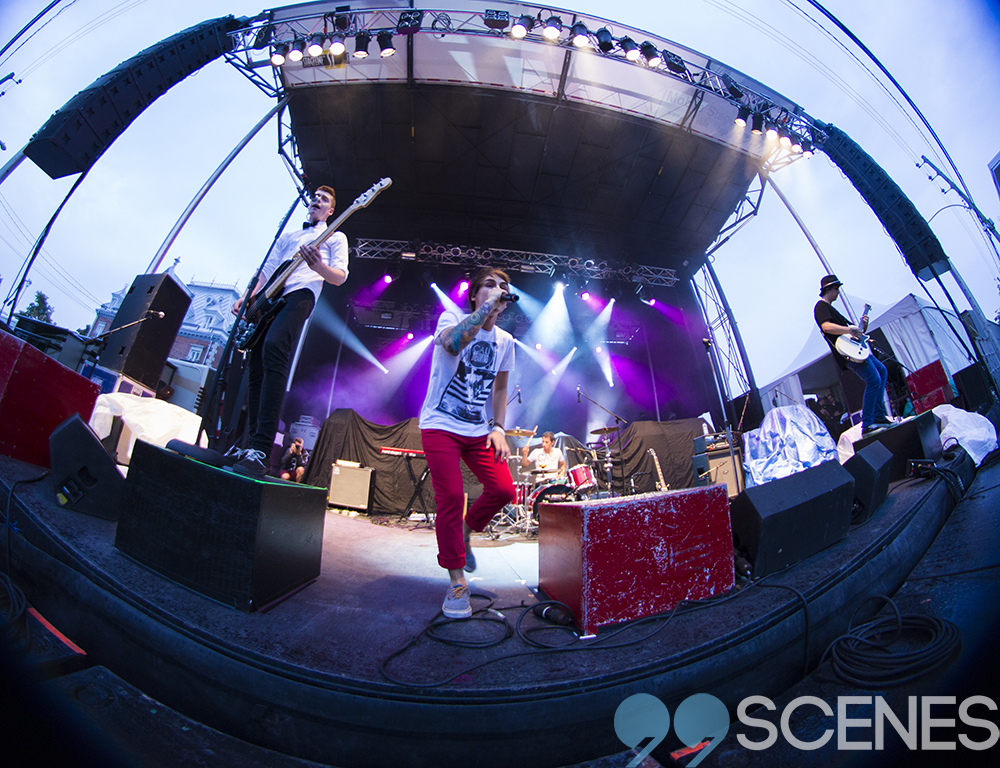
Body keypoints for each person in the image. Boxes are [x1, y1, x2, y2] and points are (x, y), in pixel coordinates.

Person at [418, 267, 517, 619]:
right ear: (474, 295)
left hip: (477, 429)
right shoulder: (451, 317)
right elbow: (453, 343)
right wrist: (485, 309)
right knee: (450, 497)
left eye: (503, 286)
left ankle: (466, 529)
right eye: (489, 285)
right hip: (440, 423)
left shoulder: (505, 341)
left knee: (504, 490)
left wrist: (499, 427)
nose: (498, 289)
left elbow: (500, 389)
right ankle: (457, 581)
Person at [230, 186, 349, 477]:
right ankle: (250, 446)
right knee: (256, 365)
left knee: (274, 347)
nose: (317, 200)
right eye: (315, 197)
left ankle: (262, 448)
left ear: (331, 211)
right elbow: (266, 270)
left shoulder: (335, 236)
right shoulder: (288, 236)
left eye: (324, 199)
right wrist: (247, 296)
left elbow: (339, 277)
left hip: (302, 293)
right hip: (269, 297)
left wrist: (318, 266)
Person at [814, 274, 892, 437]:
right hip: (848, 352)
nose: (838, 292)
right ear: (829, 289)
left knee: (882, 371)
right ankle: (868, 423)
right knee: (874, 380)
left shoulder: (833, 310)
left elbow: (855, 333)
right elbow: (826, 326)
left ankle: (879, 416)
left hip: (855, 348)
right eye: (836, 289)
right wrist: (850, 329)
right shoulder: (821, 307)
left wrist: (862, 326)